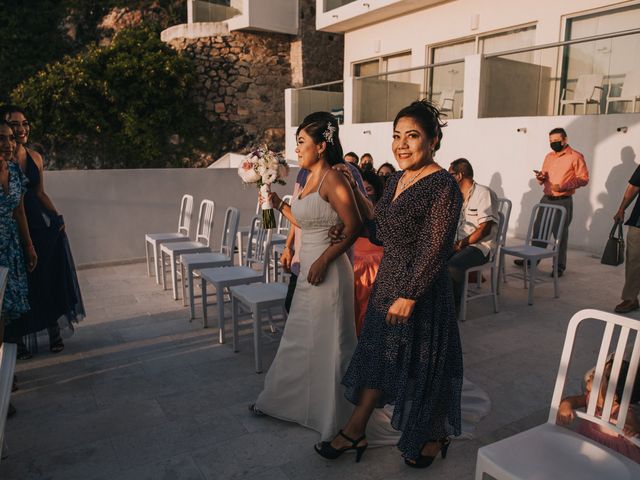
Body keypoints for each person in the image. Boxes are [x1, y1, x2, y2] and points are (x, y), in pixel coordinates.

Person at [318, 100, 463, 467]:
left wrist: (410, 296)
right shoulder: (397, 178)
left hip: (421, 290)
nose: (401, 144)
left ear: (433, 140)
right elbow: (383, 231)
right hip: (388, 284)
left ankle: (433, 435)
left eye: (412, 136)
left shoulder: (443, 185)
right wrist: (352, 223)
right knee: (379, 358)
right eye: (396, 136)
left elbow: (437, 248)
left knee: (423, 366)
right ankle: (355, 431)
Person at [250, 112, 363, 441]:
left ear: (322, 145)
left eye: (301, 142)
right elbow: (304, 221)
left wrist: (325, 260)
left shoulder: (335, 178)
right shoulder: (305, 176)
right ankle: (289, 403)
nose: (296, 148)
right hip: (308, 266)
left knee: (332, 344)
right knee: (300, 338)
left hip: (329, 271)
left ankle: (334, 415)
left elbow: (354, 225)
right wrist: (276, 204)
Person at [2, 105, 85, 356]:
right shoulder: (5, 160)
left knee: (47, 277)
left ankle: (54, 331)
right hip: (13, 227)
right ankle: (17, 341)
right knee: (20, 284)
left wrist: (55, 216)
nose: (21, 128)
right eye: (14, 124)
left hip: (37, 223)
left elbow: (39, 193)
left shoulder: (35, 157)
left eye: (24, 123)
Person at [515, 127, 589, 276]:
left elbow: (584, 179)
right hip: (546, 198)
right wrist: (541, 178)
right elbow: (545, 176)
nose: (553, 143)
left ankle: (559, 266)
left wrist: (563, 186)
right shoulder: (549, 156)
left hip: (563, 201)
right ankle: (532, 259)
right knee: (539, 230)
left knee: (559, 235)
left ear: (565, 140)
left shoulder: (576, 156)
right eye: (551, 141)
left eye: (556, 141)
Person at [557, 357, 640, 462]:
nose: (591, 375)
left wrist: (631, 430)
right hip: (587, 443)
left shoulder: (623, 413)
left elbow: (634, 430)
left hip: (614, 455)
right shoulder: (590, 397)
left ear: (613, 394)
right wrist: (565, 405)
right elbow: (575, 401)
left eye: (598, 375)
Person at [448, 158, 498, 314]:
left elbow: (485, 229)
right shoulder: (456, 196)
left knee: (453, 265)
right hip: (459, 243)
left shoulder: (484, 193)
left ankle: (453, 310)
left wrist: (460, 244)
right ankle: (438, 304)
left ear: (459, 176)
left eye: (450, 174)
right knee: (432, 258)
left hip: (479, 247)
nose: (448, 178)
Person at [353, 170, 385, 335]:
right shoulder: (353, 210)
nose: (365, 193)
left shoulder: (383, 212)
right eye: (362, 189)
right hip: (355, 255)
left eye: (369, 189)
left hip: (374, 258)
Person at [613, 164, 640, 313]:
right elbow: (634, 186)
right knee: (634, 260)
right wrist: (621, 209)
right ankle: (630, 298)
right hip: (638, 221)